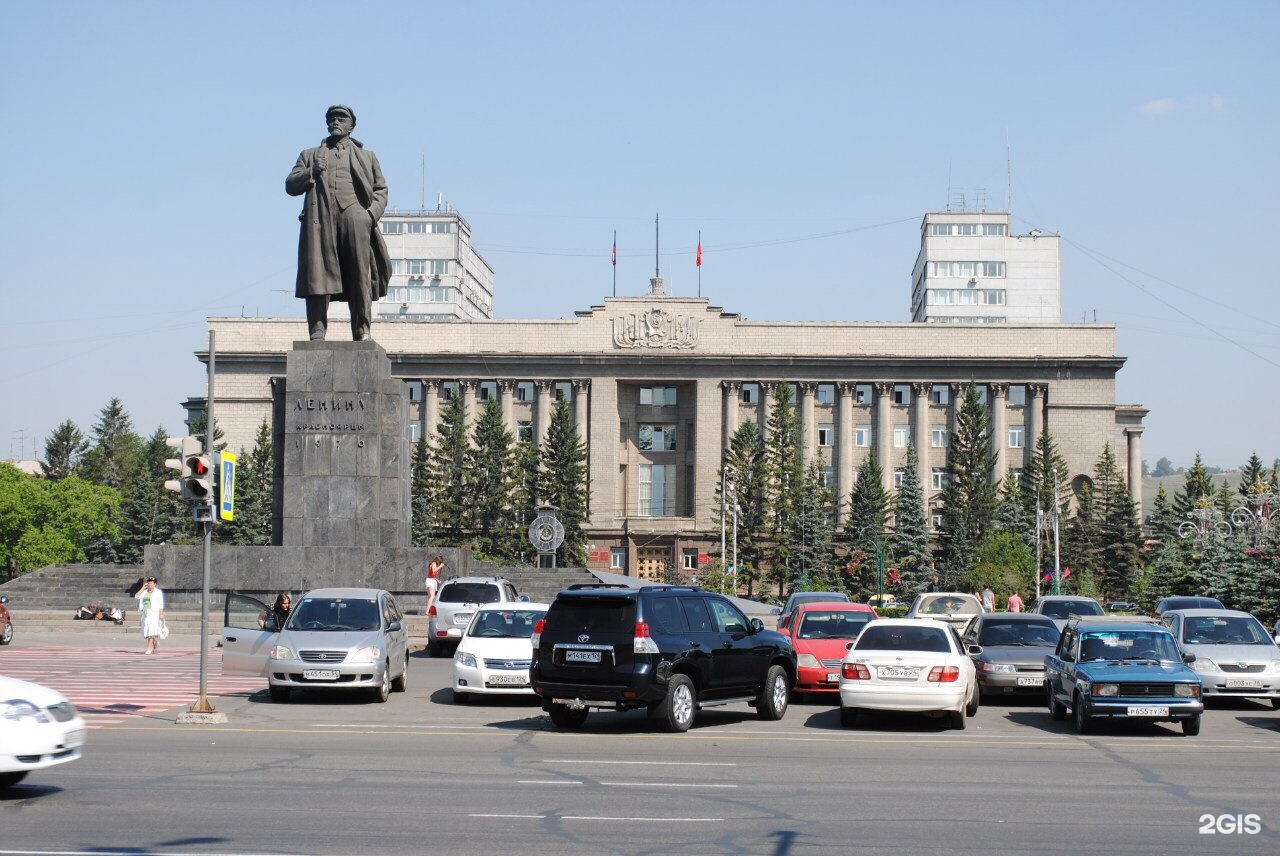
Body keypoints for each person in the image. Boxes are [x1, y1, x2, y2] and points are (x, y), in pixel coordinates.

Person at [286, 104, 390, 341]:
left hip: (355, 217)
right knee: (317, 275)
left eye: (342, 119)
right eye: (332, 118)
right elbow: (290, 185)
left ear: (352, 125)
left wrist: (369, 215)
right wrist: (311, 171)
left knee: (359, 275)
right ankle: (317, 329)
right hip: (320, 220)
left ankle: (362, 330)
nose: (336, 122)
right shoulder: (310, 155)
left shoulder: (367, 156)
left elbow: (381, 190)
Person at [135, 577, 165, 654]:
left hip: (154, 613)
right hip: (145, 613)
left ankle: (149, 648)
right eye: (148, 582)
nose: (149, 584)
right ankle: (154, 641)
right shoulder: (145, 592)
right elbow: (137, 596)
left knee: (151, 629)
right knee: (147, 629)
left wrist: (161, 613)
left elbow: (161, 603)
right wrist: (142, 588)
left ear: (155, 584)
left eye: (151, 583)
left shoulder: (158, 592)